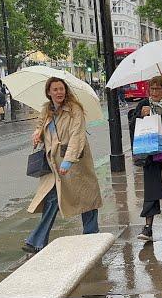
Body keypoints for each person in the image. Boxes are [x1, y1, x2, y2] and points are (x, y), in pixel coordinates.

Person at [22, 77, 102, 254]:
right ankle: (37, 240)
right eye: (55, 89)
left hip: (75, 163)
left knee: (86, 198)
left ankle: (91, 234)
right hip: (53, 164)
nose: (59, 92)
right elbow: (40, 126)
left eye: (61, 89)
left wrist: (68, 160)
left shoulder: (75, 110)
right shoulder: (47, 110)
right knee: (51, 199)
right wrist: (37, 133)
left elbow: (77, 136)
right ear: (49, 92)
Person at [128, 76, 162, 241]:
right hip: (150, 156)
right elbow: (133, 127)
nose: (154, 92)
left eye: (158, 89)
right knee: (150, 192)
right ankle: (148, 227)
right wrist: (140, 115)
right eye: (152, 89)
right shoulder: (143, 104)